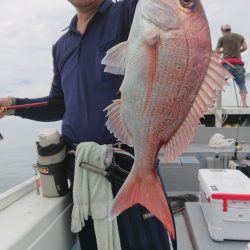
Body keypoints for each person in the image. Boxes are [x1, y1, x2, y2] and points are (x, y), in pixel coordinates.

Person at [0, 0, 176, 249]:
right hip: (81, 169)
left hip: (127, 163)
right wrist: (13, 104)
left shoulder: (129, 12)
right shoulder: (62, 46)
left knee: (143, 242)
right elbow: (59, 104)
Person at [216, 24, 248, 107]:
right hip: (238, 64)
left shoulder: (222, 38)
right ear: (230, 29)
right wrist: (238, 51)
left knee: (219, 84)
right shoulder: (240, 36)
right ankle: (244, 104)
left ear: (222, 30)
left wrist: (224, 51)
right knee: (241, 84)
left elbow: (217, 52)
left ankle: (213, 104)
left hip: (226, 64)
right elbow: (245, 47)